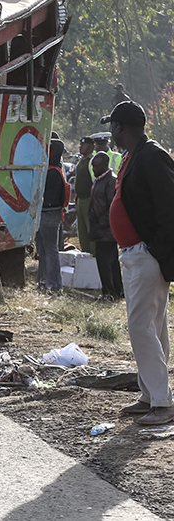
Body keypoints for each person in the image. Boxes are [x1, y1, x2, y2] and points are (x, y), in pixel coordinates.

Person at [102, 101, 174, 426]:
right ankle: (150, 395)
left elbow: (168, 208)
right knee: (154, 326)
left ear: (120, 128)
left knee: (139, 326)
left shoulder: (152, 155)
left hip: (147, 253)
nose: (111, 131)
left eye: (112, 126)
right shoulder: (132, 156)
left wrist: (157, 249)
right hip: (133, 254)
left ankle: (162, 401)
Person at [36, 138, 68, 291]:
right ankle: (44, 281)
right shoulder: (57, 170)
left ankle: (53, 284)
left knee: (49, 250)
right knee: (44, 249)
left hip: (47, 214)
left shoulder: (50, 172)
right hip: (52, 214)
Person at [89, 152, 122, 299]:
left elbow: (111, 207)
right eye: (93, 166)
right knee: (107, 261)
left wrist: (102, 224)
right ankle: (115, 291)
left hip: (106, 230)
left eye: (96, 166)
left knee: (107, 262)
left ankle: (110, 292)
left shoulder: (111, 181)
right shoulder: (98, 180)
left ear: (104, 165)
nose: (94, 169)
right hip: (100, 229)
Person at [74, 136, 95, 256]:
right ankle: (86, 254)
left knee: (90, 230)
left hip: (89, 199)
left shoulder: (92, 161)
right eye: (80, 145)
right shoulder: (81, 161)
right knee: (81, 231)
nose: (81, 147)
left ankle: (94, 256)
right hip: (80, 200)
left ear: (91, 147)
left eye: (84, 145)